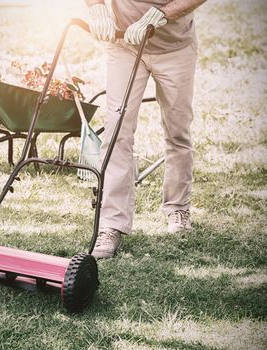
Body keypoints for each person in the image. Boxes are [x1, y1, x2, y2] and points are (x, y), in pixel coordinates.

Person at [85, 0, 207, 258]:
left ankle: (178, 207)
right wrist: (96, 6)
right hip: (124, 44)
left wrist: (162, 13)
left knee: (178, 132)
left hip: (175, 49)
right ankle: (112, 224)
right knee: (117, 131)